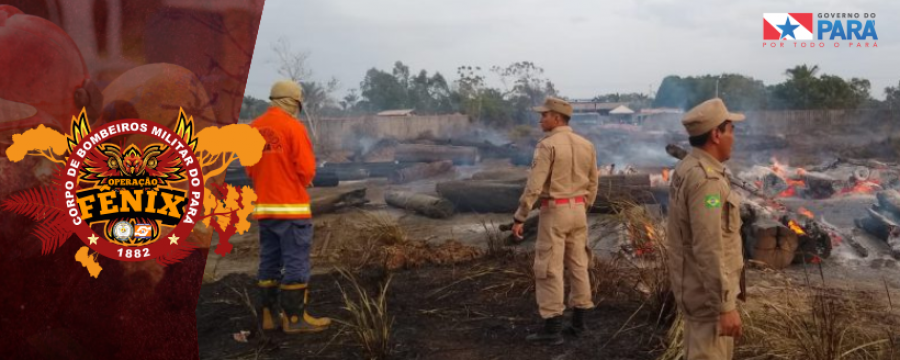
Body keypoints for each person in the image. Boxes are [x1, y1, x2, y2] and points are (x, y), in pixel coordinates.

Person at [512, 96, 599, 345]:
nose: (541, 119)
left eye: (544, 115)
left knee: (549, 268)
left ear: (557, 118)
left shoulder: (547, 145)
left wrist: (520, 216)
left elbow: (534, 186)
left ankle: (552, 330)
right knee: (579, 265)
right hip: (579, 210)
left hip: (555, 212)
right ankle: (579, 325)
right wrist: (584, 205)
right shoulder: (586, 144)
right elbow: (594, 182)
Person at [245, 79, 330, 333]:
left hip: (265, 209)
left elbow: (250, 169)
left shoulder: (253, 128)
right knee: (295, 262)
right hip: (291, 210)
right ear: (292, 102)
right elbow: (306, 169)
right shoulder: (292, 127)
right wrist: (301, 180)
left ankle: (269, 318)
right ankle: (295, 320)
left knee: (269, 261)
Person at [666, 98, 746, 359]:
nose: (733, 137)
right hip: (709, 300)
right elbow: (708, 245)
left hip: (698, 292)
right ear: (716, 134)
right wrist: (724, 306)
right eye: (731, 130)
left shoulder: (688, 167)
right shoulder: (707, 181)